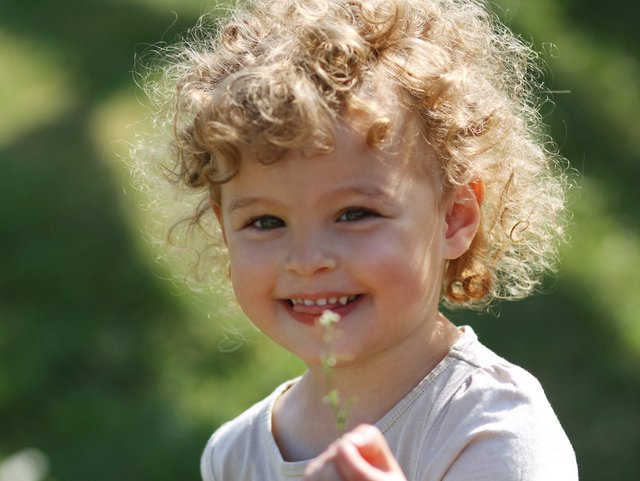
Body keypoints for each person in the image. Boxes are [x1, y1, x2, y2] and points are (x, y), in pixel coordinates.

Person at [134, 0, 578, 479]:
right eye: (265, 222)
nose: (307, 260)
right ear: (225, 231)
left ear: (453, 218)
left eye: (354, 214)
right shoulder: (232, 455)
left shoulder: (493, 428)